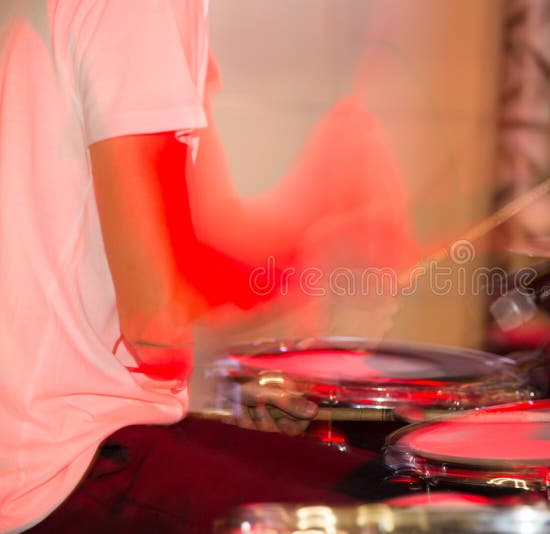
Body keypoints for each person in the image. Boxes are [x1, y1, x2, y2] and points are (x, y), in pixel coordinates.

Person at [0, 1, 417, 532]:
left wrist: (315, 232)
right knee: (402, 516)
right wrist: (329, 208)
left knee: (391, 486)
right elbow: (156, 323)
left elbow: (191, 252)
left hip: (67, 433)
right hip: (57, 468)